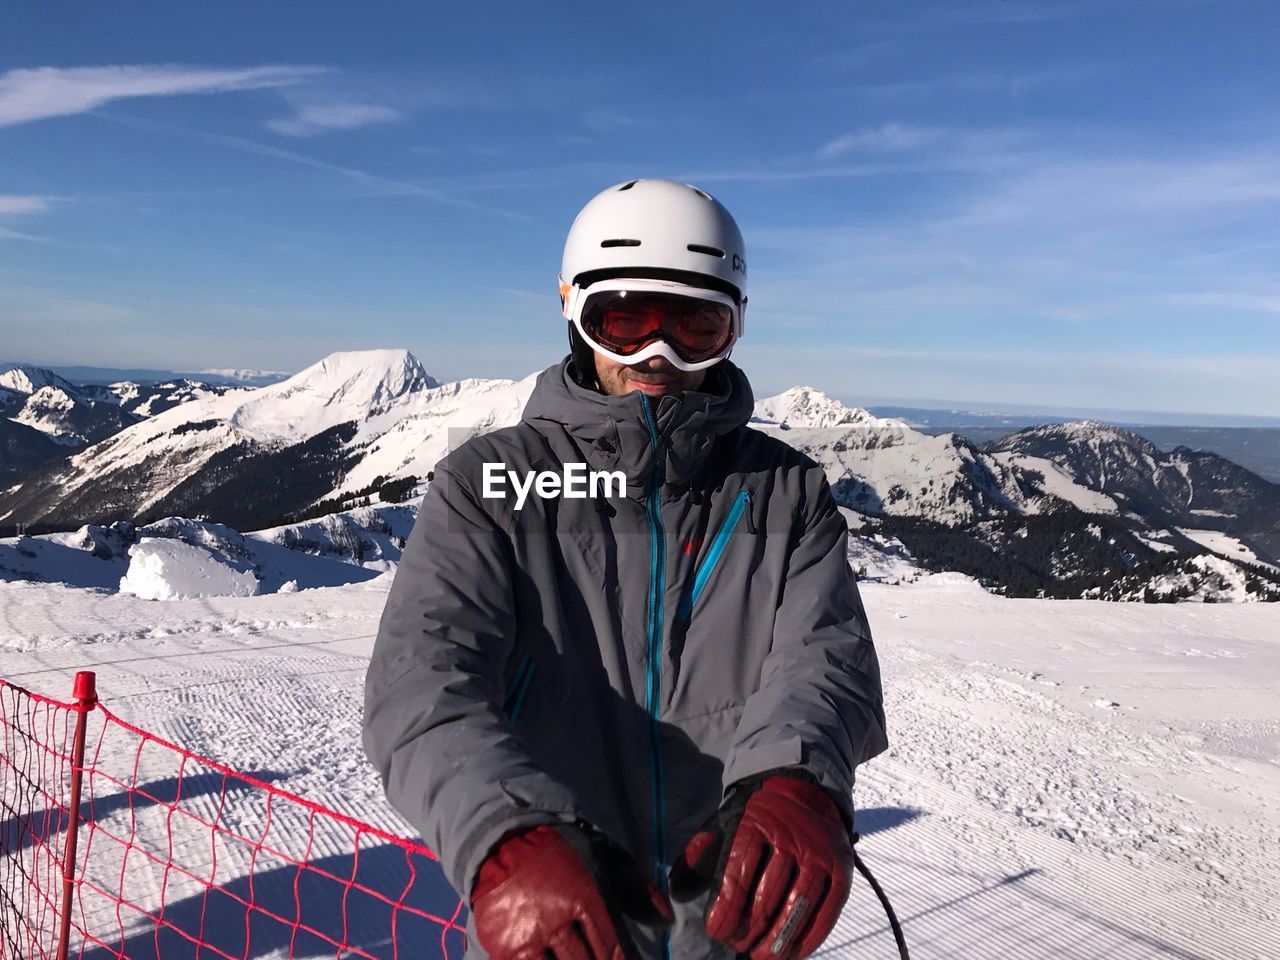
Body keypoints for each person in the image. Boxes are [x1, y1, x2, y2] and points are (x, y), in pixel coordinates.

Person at [363, 179, 888, 960]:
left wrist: (798, 779)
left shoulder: (785, 491)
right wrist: (505, 834)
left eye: (694, 327)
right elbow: (421, 680)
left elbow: (825, 661)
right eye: (627, 322)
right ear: (577, 316)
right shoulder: (491, 484)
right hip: (554, 911)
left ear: (732, 332)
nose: (658, 356)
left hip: (729, 913)